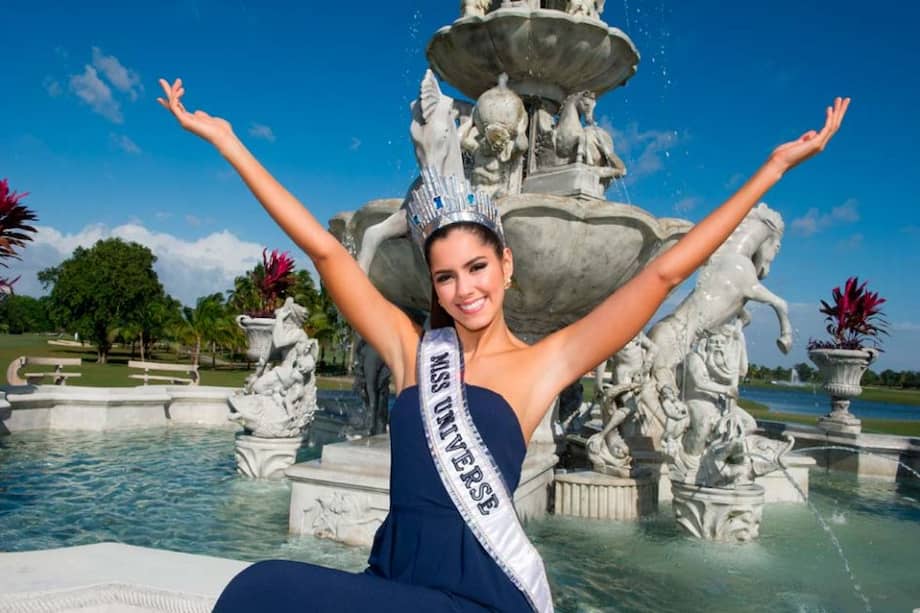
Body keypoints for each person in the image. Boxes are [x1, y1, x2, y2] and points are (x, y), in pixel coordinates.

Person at [157, 77, 849, 612]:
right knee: (257, 585)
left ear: (506, 266)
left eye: (478, 268)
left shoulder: (544, 365)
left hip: (476, 597)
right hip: (392, 579)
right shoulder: (410, 352)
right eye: (446, 276)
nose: (464, 289)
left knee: (262, 594)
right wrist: (228, 142)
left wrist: (774, 167)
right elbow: (328, 253)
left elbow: (665, 272)